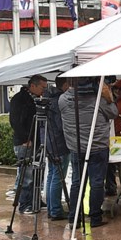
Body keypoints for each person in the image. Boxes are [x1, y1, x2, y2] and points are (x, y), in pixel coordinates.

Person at [60, 78, 118, 228]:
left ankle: (74, 218)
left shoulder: (63, 99)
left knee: (77, 183)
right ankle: (95, 218)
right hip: (98, 146)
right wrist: (107, 95)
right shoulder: (99, 98)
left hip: (76, 147)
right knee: (97, 183)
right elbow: (113, 113)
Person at [9, 75, 48, 214]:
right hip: (25, 142)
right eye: (42, 87)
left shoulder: (32, 99)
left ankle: (35, 200)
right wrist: (25, 139)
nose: (44, 90)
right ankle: (25, 204)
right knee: (27, 175)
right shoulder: (19, 99)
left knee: (37, 172)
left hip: (35, 140)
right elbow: (15, 121)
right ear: (33, 86)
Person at [42, 77, 71, 221]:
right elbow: (61, 125)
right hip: (59, 144)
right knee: (58, 177)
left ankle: (51, 208)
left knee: (51, 176)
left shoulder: (47, 99)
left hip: (49, 142)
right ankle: (55, 210)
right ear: (65, 85)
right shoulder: (59, 101)